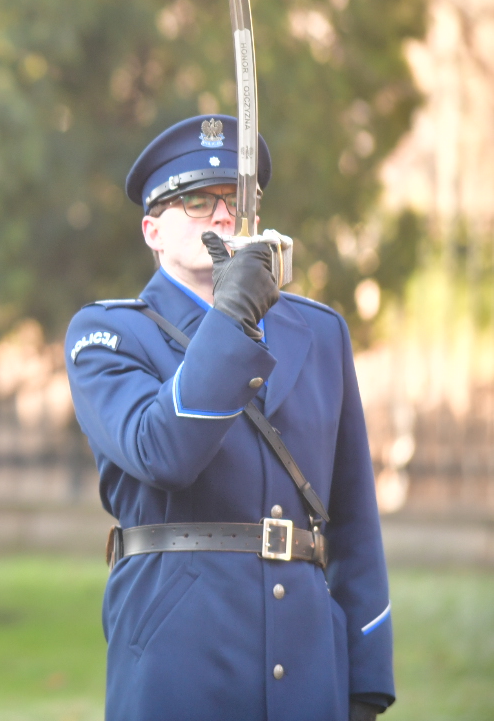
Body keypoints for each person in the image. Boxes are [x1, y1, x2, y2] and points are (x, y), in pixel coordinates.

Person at [64, 115, 393, 721]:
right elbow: (161, 450)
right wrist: (232, 316)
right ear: (151, 231)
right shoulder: (108, 334)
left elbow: (352, 514)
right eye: (195, 200)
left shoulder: (320, 331)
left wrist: (366, 677)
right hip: (180, 652)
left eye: (238, 200)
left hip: (308, 654)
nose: (222, 215)